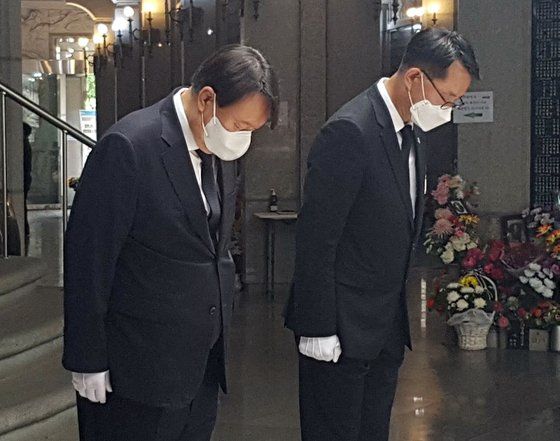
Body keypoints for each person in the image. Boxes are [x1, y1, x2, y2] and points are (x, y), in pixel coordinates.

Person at [63, 44, 278, 441]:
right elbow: (87, 258)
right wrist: (86, 357)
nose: (242, 139)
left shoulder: (217, 147)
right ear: (207, 100)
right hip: (137, 370)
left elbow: (211, 246)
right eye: (240, 125)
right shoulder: (130, 146)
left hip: (200, 368)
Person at [285, 28, 479, 441]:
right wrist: (317, 327)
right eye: (447, 99)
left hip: (384, 328)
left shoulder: (413, 133)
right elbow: (317, 238)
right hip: (338, 329)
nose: (448, 110)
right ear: (414, 79)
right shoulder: (350, 131)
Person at [23, 123, 33, 238]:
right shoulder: (26, 143)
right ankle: (25, 228)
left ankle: (25, 228)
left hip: (24, 177)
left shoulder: (23, 144)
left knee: (22, 203)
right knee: (23, 203)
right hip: (26, 177)